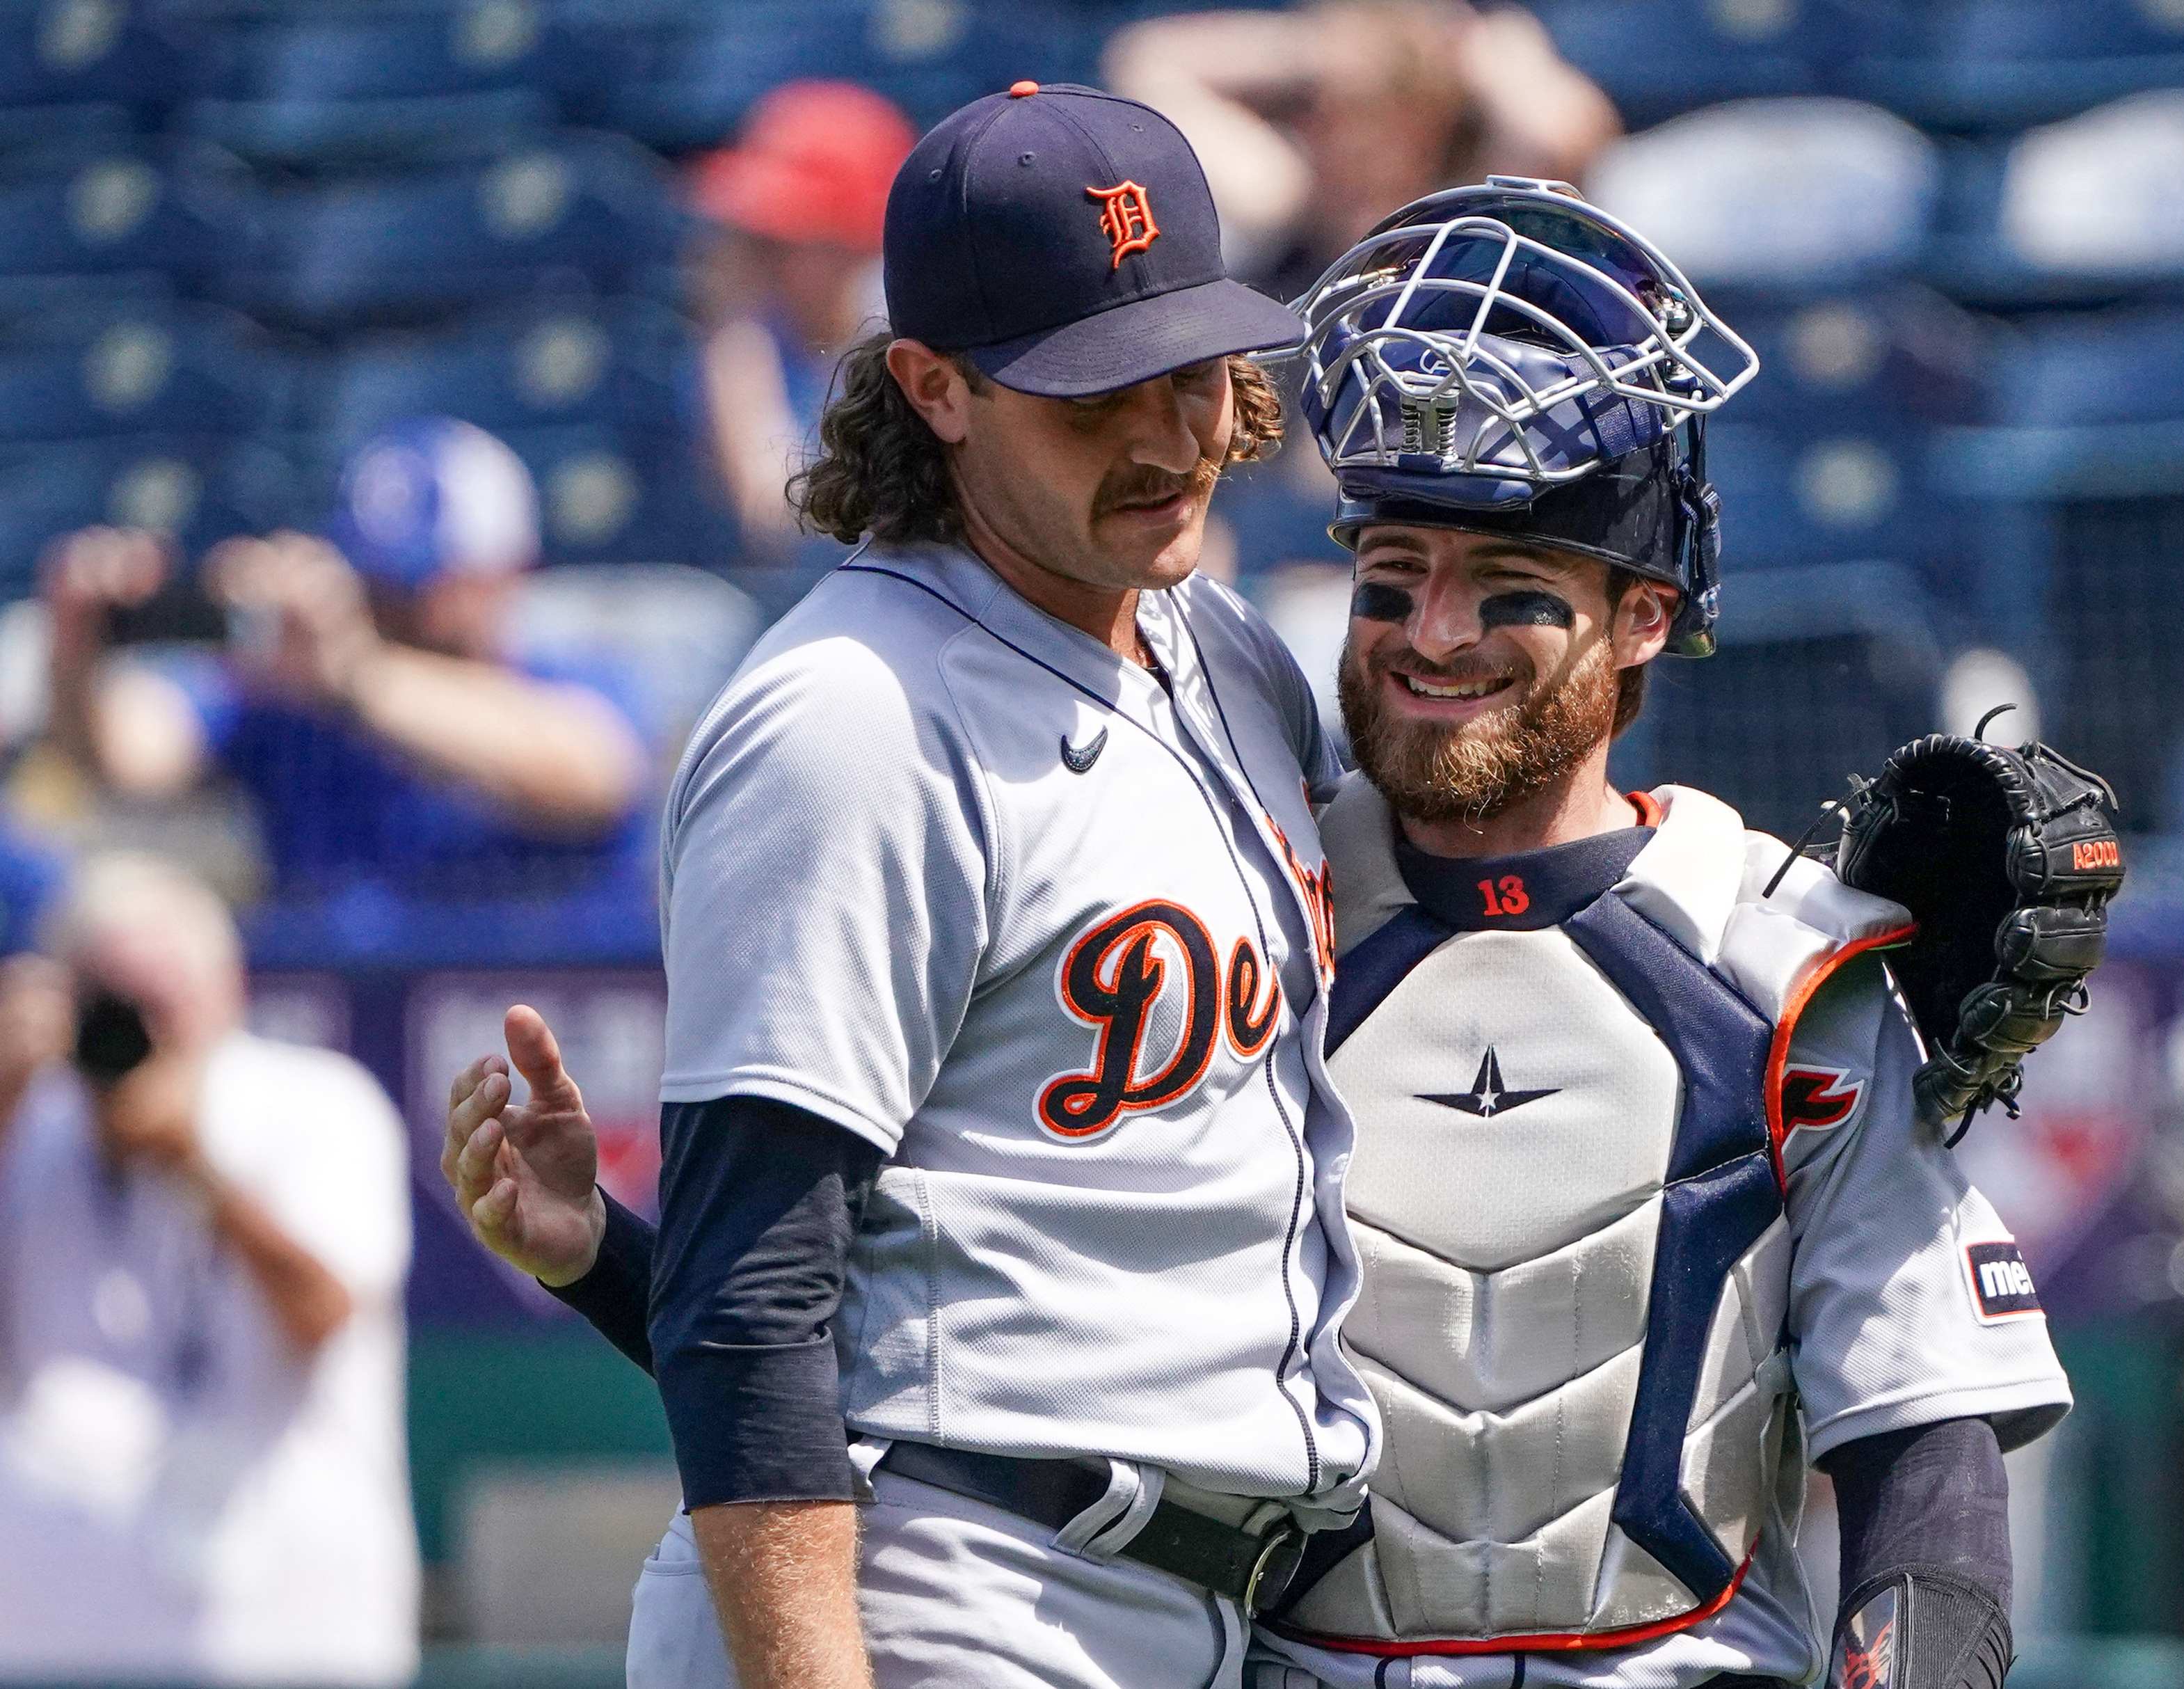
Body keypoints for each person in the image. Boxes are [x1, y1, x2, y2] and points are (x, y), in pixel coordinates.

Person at [443, 84, 1378, 1689]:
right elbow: (758, 1304)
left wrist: (607, 1256)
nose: (1171, 437)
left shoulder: (1222, 656)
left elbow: (953, 1284)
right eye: (1096, 395)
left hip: (1196, 1602)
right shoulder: (851, 721)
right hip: (954, 1604)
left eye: (1197, 371)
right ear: (936, 390)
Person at [1238, 180, 2073, 1689]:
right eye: (1389, 581)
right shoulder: (1243, 909)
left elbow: (1924, 1445)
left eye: (1509, 591)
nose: (1433, 635)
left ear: (1640, 618)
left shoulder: (1783, 952)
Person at [0, 853, 417, 1684]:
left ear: (225, 991)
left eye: (161, 1000)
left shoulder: (315, 1103)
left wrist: (192, 1167)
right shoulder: (32, 1123)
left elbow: (322, 1313)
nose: (140, 1031)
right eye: (113, 1001)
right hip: (59, 1628)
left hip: (282, 1631)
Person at [40, 418, 651, 905]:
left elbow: (595, 776)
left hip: (540, 1028)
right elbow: (119, 757)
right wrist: (77, 654)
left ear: (505, 575)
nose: (387, 612)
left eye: (415, 590)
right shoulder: (292, 695)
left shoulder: (572, 681)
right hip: (343, 1021)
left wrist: (362, 678)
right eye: (371, 586)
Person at [1104, 0, 1618, 299]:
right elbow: (1147, 60)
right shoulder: (1290, 193)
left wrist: (1466, 43)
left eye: (1377, 113)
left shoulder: (1477, 210)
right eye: (1325, 107)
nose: (1332, 132)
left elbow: (1565, 130)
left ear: (1429, 121)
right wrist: (1313, 50)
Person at [688, 81, 918, 561]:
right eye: (755, 239)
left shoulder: (907, 334)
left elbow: (785, 514)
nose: (759, 260)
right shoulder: (757, 331)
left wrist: (734, 341)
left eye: (781, 240)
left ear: (851, 240)